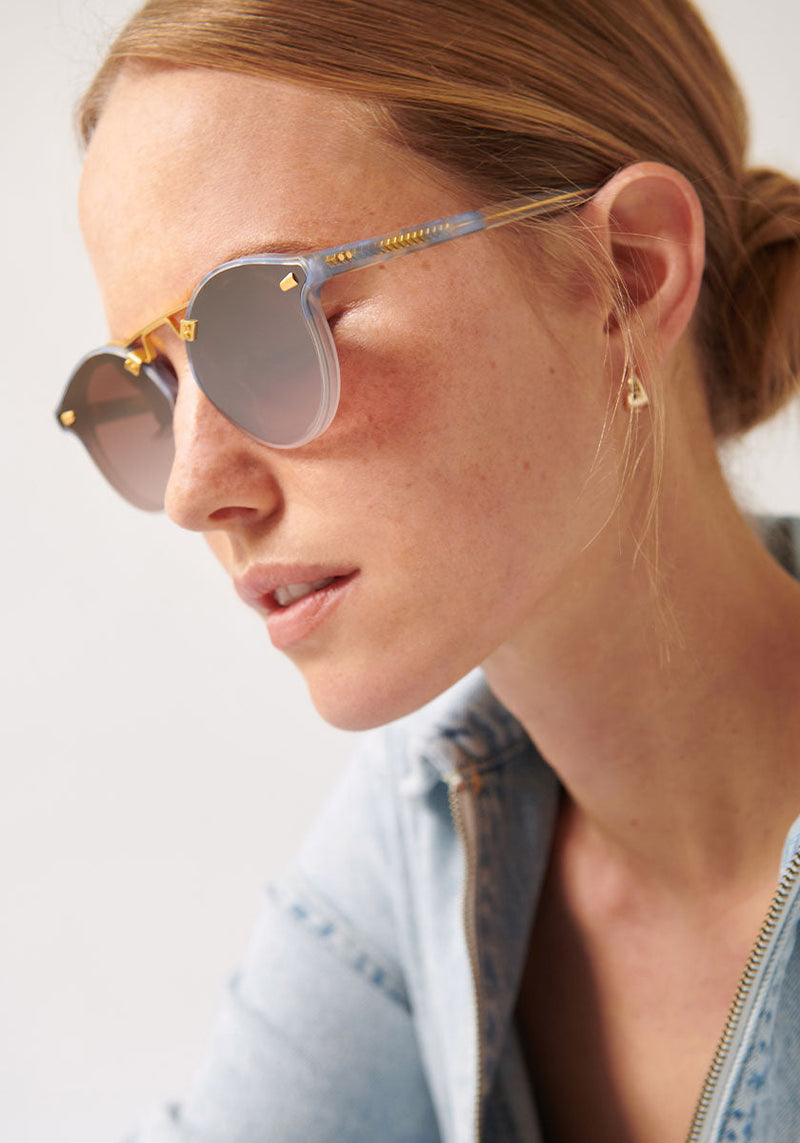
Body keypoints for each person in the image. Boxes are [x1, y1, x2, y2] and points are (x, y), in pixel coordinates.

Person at [55, 0, 800, 1139]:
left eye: (273, 324)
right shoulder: (426, 822)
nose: (192, 491)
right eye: (149, 389)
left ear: (628, 273)